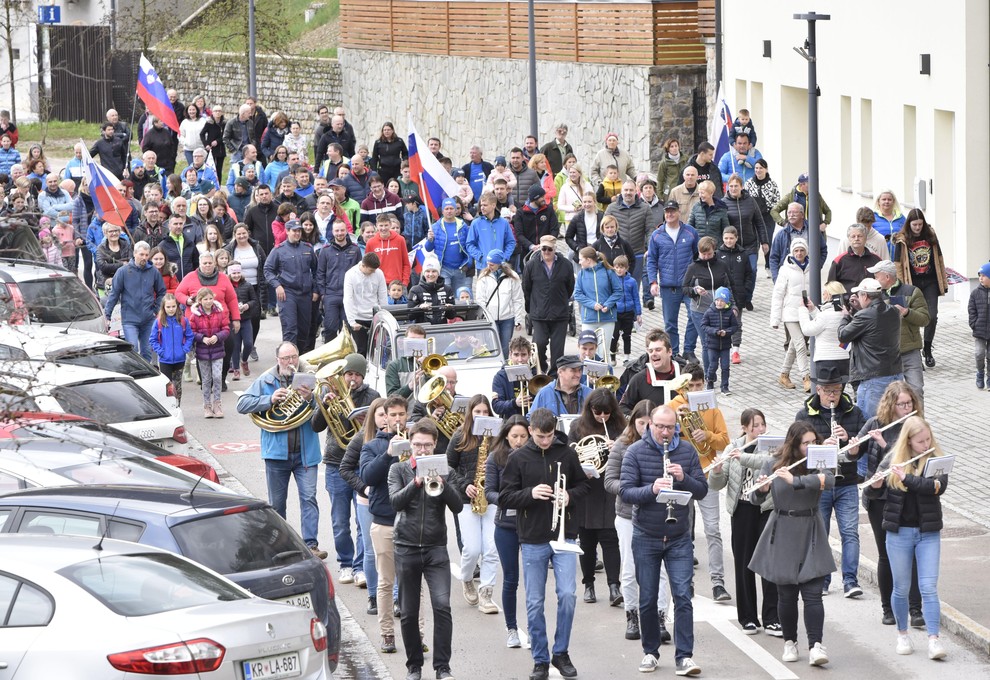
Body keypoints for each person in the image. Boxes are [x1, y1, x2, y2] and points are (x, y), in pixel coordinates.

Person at [498, 407, 591, 680]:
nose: (545, 442)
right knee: (535, 602)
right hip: (532, 537)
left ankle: (560, 652)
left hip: (564, 535)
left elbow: (584, 486)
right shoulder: (518, 457)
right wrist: (530, 493)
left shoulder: (567, 453)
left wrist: (569, 496)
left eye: (549, 436)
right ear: (531, 433)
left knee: (567, 595)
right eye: (539, 437)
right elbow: (504, 497)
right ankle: (540, 658)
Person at [619, 405, 706, 676]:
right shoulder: (635, 452)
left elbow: (702, 490)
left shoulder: (687, 451)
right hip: (646, 534)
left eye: (670, 427)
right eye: (660, 426)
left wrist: (684, 478)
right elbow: (624, 491)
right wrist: (652, 489)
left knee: (682, 596)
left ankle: (684, 657)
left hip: (678, 536)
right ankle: (650, 652)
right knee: (647, 598)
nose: (665, 432)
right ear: (649, 426)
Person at [748, 421, 835, 667]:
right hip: (783, 529)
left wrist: (795, 481)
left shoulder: (819, 460)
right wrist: (763, 488)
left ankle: (816, 645)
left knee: (813, 593)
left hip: (811, 529)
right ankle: (790, 642)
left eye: (813, 442)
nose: (810, 446)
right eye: (805, 443)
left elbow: (828, 481)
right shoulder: (773, 463)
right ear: (794, 444)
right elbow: (754, 498)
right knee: (786, 595)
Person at [238, 343, 326, 559]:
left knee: (309, 498)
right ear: (277, 359)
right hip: (277, 455)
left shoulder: (310, 378)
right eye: (285, 358)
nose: (290, 362)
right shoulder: (266, 380)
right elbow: (242, 404)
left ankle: (311, 545)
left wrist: (311, 398)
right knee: (277, 504)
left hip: (306, 453)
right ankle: (282, 546)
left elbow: (324, 407)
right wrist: (269, 400)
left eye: (294, 357)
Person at [387, 419, 460, 680]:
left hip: (435, 547)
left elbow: (458, 506)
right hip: (405, 546)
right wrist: (416, 482)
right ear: (410, 444)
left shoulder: (446, 470)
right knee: (408, 612)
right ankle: (414, 666)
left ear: (435, 444)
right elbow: (395, 502)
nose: (422, 450)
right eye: (417, 444)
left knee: (442, 606)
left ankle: (442, 667)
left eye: (427, 445)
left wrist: (443, 481)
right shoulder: (398, 470)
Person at [872, 416, 949, 660]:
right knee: (901, 587)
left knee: (928, 587)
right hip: (899, 532)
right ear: (908, 442)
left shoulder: (937, 461)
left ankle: (934, 639)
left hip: (928, 532)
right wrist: (875, 486)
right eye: (920, 442)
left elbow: (935, 487)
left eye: (928, 439)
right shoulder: (893, 461)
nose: (926, 445)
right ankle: (902, 633)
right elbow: (877, 492)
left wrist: (907, 478)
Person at [707, 409, 781, 636]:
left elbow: (767, 461)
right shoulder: (732, 448)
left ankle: (771, 617)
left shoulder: (772, 446)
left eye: (762, 425)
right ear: (744, 428)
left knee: (769, 563)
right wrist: (717, 470)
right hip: (742, 509)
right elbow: (717, 484)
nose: (760, 429)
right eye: (755, 426)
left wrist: (742, 456)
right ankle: (748, 617)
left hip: (766, 508)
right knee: (744, 563)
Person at [858, 381, 925, 627]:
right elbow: (854, 452)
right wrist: (848, 443)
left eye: (909, 403)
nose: (907, 408)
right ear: (891, 404)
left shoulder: (917, 427)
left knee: (913, 553)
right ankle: (887, 608)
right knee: (886, 554)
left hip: (908, 497)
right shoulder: (875, 424)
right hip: (880, 498)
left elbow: (918, 461)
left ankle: (915, 609)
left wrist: (886, 446)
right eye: (901, 404)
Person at [604, 399, 672, 642]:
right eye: (640, 423)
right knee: (630, 569)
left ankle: (660, 616)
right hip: (627, 515)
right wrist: (635, 488)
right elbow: (609, 481)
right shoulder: (623, 446)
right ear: (633, 422)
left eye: (648, 423)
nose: (645, 428)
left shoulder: (666, 445)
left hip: (658, 515)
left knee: (660, 570)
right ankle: (632, 615)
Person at [795, 366, 866, 598]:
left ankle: (850, 581)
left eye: (836, 390)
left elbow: (863, 448)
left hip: (846, 482)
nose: (832, 395)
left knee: (850, 532)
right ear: (818, 390)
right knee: (820, 532)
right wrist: (820, 448)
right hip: (821, 483)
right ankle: (822, 580)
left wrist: (850, 445)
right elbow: (797, 450)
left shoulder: (854, 413)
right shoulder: (805, 415)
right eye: (827, 391)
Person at [310, 352, 379, 588]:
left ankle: (360, 567)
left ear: (362, 376)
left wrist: (365, 421)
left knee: (362, 521)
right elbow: (315, 426)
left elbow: (379, 427)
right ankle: (346, 564)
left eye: (357, 375)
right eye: (349, 374)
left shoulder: (372, 396)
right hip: (336, 463)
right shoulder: (331, 392)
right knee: (340, 521)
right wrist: (324, 406)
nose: (352, 379)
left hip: (362, 463)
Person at [360, 396, 420, 654]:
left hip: (414, 520)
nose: (397, 419)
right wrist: (388, 454)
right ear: (384, 416)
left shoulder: (416, 442)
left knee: (415, 582)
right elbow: (367, 477)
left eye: (401, 415)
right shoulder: (373, 446)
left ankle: (417, 634)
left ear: (406, 416)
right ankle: (386, 634)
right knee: (386, 582)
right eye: (392, 415)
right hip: (385, 521)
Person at [667, 365, 731, 599]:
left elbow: (724, 442)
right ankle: (686, 582)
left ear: (703, 384)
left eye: (698, 385)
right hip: (682, 476)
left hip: (707, 473)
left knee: (713, 530)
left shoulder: (711, 407)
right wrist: (678, 423)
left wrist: (708, 436)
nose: (694, 390)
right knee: (682, 531)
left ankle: (718, 583)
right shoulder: (671, 408)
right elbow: (662, 438)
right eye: (689, 386)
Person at [568, 389, 626, 607]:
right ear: (589, 409)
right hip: (586, 490)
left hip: (609, 491)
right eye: (597, 412)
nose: (602, 416)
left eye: (607, 412)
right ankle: (588, 584)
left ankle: (614, 586)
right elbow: (571, 454)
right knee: (588, 541)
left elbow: (630, 454)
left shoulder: (621, 428)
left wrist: (618, 448)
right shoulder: (577, 427)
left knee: (611, 540)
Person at [445, 395, 501, 615]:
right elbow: (448, 467)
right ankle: (467, 578)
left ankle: (486, 593)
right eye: (477, 412)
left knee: (491, 548)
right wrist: (464, 484)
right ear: (470, 413)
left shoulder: (497, 437)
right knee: (472, 549)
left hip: (491, 498)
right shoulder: (460, 436)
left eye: (485, 412)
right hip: (467, 500)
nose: (481, 416)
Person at [486, 415, 532, 648]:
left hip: (533, 523)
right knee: (511, 578)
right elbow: (489, 492)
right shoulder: (496, 457)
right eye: (514, 436)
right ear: (506, 436)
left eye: (523, 436)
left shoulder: (535, 456)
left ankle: (534, 629)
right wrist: (507, 500)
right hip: (506, 524)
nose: (519, 441)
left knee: (534, 580)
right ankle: (512, 628)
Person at [838, 278, 903, 419]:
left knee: (870, 422)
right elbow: (874, 323)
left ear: (865, 296)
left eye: (860, 295)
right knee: (894, 419)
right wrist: (860, 310)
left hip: (873, 378)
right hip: (895, 374)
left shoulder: (865, 315)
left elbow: (843, 335)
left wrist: (845, 316)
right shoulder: (892, 311)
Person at [892, 208, 948, 367]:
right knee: (911, 317)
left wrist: (943, 281)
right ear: (909, 224)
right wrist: (901, 285)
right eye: (914, 225)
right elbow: (898, 265)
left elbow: (939, 258)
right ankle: (914, 352)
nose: (917, 227)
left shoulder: (930, 235)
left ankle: (928, 349)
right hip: (912, 282)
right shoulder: (902, 239)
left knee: (932, 316)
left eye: (920, 224)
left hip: (930, 281)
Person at [868, 260, 931, 399]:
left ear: (887, 277)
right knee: (888, 396)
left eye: (877, 276)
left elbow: (925, 319)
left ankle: (916, 421)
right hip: (885, 355)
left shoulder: (912, 292)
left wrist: (907, 312)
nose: (875, 279)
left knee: (916, 391)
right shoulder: (874, 295)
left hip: (909, 352)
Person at [647, 200, 700, 360]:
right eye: (667, 212)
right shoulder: (657, 235)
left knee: (694, 317)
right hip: (668, 286)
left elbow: (698, 258)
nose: (669, 214)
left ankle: (689, 350)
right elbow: (651, 260)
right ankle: (674, 353)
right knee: (670, 323)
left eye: (673, 211)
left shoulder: (690, 232)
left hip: (688, 286)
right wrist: (653, 282)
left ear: (678, 212)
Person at [102, 241, 166, 363]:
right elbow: (114, 294)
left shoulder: (153, 272)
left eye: (147, 255)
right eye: (141, 254)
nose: (144, 258)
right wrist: (107, 315)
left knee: (147, 350)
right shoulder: (123, 272)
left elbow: (161, 292)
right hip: (129, 319)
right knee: (133, 349)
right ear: (135, 253)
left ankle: (147, 377)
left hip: (148, 318)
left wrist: (156, 309)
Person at [522, 235, 574, 377]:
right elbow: (526, 288)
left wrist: (560, 299)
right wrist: (532, 308)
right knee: (538, 345)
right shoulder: (531, 265)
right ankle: (541, 372)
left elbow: (570, 287)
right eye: (543, 248)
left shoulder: (566, 265)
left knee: (558, 350)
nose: (546, 252)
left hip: (560, 314)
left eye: (549, 249)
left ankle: (554, 376)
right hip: (539, 313)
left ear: (555, 249)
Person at [265, 219, 319, 352]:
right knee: (290, 329)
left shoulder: (307, 248)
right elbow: (267, 270)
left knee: (304, 330)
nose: (297, 233)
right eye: (294, 231)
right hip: (287, 293)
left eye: (299, 231)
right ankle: (288, 359)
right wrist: (277, 285)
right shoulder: (278, 250)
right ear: (287, 232)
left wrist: (316, 290)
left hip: (305, 294)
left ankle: (299, 358)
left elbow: (317, 270)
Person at [682, 235, 732, 375]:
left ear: (714, 251)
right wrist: (695, 291)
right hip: (699, 310)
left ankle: (719, 369)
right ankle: (709, 374)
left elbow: (730, 285)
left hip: (719, 310)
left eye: (709, 254)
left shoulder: (722, 265)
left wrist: (732, 306)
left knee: (719, 342)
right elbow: (685, 288)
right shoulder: (693, 267)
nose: (705, 256)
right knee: (707, 342)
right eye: (703, 254)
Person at [770, 238, 812, 392]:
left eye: (802, 250)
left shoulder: (812, 267)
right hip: (790, 313)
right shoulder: (785, 269)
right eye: (796, 250)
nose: (799, 253)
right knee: (800, 344)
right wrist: (775, 318)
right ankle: (806, 377)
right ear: (792, 252)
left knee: (794, 346)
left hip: (806, 313)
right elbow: (778, 294)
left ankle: (784, 374)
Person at [573, 247, 622, 360]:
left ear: (589, 260)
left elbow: (618, 291)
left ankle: (606, 376)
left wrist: (608, 304)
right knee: (587, 353)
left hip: (607, 318)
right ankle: (587, 377)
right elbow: (578, 294)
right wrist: (592, 304)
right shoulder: (581, 274)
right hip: (589, 318)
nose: (579, 262)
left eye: (581, 259)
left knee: (604, 352)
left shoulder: (608, 272)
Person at [316, 220, 362, 340]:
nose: (340, 233)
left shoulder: (355, 250)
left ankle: (345, 356)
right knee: (330, 328)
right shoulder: (325, 251)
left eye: (342, 230)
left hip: (349, 295)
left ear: (346, 230)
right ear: (332, 232)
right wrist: (323, 294)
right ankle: (329, 357)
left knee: (346, 329)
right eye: (337, 230)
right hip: (331, 295)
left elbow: (360, 272)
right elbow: (320, 273)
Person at [188, 287, 230, 418]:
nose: (208, 301)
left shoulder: (219, 312)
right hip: (202, 351)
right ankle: (207, 406)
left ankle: (217, 404)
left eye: (210, 298)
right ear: (200, 300)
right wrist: (202, 338)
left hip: (217, 350)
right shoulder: (195, 315)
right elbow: (192, 332)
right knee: (206, 379)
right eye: (205, 299)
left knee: (217, 377)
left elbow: (226, 329)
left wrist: (217, 337)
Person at [475, 250, 525, 358]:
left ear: (499, 263)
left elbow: (517, 299)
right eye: (488, 263)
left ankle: (505, 367)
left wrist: (518, 320)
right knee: (492, 347)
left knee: (505, 347)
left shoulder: (512, 276)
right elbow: (480, 300)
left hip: (507, 317)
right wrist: (485, 317)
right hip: (490, 317)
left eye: (492, 264)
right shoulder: (483, 276)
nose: (489, 266)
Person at [799, 281, 850, 385]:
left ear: (830, 295)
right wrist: (813, 310)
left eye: (824, 292)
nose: (822, 295)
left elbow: (807, 329)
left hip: (826, 360)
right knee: (838, 393)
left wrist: (802, 310)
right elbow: (826, 325)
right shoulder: (846, 313)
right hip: (844, 359)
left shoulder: (825, 316)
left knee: (827, 394)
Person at [619, 329, 682, 414]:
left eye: (658, 350)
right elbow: (622, 408)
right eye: (650, 351)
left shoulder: (685, 375)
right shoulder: (639, 379)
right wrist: (643, 420)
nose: (653, 354)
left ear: (670, 351)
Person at [717, 227, 754, 363]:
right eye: (726, 238)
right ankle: (722, 349)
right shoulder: (718, 254)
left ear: (736, 238)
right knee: (720, 322)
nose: (728, 241)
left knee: (736, 323)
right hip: (722, 296)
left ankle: (736, 351)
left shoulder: (743, 254)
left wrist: (746, 290)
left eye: (731, 238)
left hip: (738, 295)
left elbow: (749, 274)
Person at [768, 201, 828, 282]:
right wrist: (776, 279)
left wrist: (817, 267)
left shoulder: (813, 231)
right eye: (789, 212)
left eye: (794, 212)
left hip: (809, 276)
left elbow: (823, 250)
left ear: (802, 215)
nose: (791, 215)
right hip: (788, 278)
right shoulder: (781, 235)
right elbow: (773, 258)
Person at [150, 293, 193, 405]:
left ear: (177, 306)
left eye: (173, 306)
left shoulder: (183, 321)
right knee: (167, 386)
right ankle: (168, 407)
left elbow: (189, 336)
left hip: (180, 359)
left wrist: (185, 349)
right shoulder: (159, 322)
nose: (171, 309)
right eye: (168, 307)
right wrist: (161, 352)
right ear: (163, 307)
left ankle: (177, 406)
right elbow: (153, 339)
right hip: (165, 360)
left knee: (177, 385)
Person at [343, 252, 389, 355]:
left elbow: (382, 296)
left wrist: (384, 316)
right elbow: (348, 299)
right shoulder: (350, 274)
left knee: (376, 350)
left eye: (375, 270)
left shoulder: (379, 273)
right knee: (362, 350)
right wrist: (351, 321)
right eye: (371, 270)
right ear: (363, 265)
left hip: (374, 316)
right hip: (358, 318)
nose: (373, 272)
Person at [701, 287, 740, 394]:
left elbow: (735, 327)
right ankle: (710, 382)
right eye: (717, 300)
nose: (719, 303)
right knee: (713, 365)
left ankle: (725, 386)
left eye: (722, 301)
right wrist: (715, 331)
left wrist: (726, 332)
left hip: (725, 345)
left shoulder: (730, 313)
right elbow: (704, 325)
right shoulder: (709, 312)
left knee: (725, 367)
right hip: (712, 345)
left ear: (726, 302)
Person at [744, 159, 780, 277]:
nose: (758, 170)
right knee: (755, 240)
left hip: (767, 217)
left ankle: (768, 265)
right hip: (753, 217)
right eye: (756, 168)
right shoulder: (749, 183)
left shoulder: (772, 184)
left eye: (761, 168)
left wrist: (769, 209)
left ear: (766, 169)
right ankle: (751, 265)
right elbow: (745, 197)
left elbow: (777, 201)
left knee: (767, 240)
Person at [827, 224, 882, 293]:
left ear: (866, 238)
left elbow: (883, 283)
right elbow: (831, 286)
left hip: (871, 301)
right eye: (853, 236)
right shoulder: (839, 261)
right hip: (847, 302)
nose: (856, 239)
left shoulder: (876, 260)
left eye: (860, 236)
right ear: (849, 239)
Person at [228, 263, 258, 381]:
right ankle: (236, 370)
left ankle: (244, 360)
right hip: (233, 320)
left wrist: (247, 306)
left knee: (249, 343)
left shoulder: (248, 285)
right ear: (229, 274)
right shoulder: (228, 286)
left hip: (245, 319)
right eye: (233, 273)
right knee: (235, 346)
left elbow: (254, 300)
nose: (236, 275)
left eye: (238, 273)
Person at [610, 256, 641, 365]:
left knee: (627, 336)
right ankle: (612, 355)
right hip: (616, 313)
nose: (619, 270)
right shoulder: (612, 280)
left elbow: (636, 298)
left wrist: (638, 314)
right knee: (615, 335)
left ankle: (626, 357)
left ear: (627, 268)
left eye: (621, 267)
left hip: (628, 312)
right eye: (617, 267)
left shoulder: (632, 282)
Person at [408, 255, 456, 325]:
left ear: (438, 273)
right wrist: (419, 308)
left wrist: (450, 309)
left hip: (442, 330)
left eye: (434, 271)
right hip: (423, 330)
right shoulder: (415, 290)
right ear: (424, 273)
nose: (430, 274)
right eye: (427, 271)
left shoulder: (447, 289)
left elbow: (452, 316)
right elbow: (410, 316)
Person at [366, 213, 410, 287]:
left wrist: (405, 282)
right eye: (381, 225)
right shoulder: (370, 243)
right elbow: (368, 265)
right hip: (378, 284)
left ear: (390, 225)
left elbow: (406, 263)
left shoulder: (400, 240)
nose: (383, 228)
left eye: (386, 225)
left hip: (397, 284)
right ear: (376, 226)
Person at [687, 180, 729, 247]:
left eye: (703, 193)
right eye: (699, 193)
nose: (700, 196)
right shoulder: (696, 207)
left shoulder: (721, 209)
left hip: (716, 247)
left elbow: (726, 229)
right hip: (699, 247)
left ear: (711, 193)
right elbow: (689, 227)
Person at [970, 263, 990, 389]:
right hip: (980, 331)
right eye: (979, 275)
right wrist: (974, 324)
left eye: (984, 275)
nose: (981, 278)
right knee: (979, 353)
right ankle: (980, 373)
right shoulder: (975, 293)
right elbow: (971, 310)